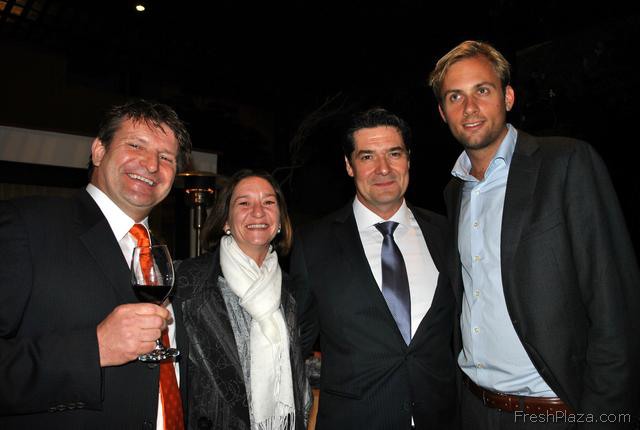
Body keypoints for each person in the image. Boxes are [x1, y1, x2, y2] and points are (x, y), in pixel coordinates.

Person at [429, 40, 640, 429]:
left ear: (508, 97)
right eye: (455, 96)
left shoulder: (566, 164)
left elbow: (615, 305)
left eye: (482, 90)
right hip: (474, 409)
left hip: (553, 412)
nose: (469, 107)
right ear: (443, 113)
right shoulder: (454, 192)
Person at [0, 99, 192, 429]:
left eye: (166, 158)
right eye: (136, 145)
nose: (151, 165)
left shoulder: (159, 255)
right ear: (99, 151)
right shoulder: (26, 225)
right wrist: (95, 348)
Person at [289, 108, 456, 429]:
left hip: (442, 417)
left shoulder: (446, 232)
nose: (383, 169)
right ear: (349, 166)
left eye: (394, 154)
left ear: (408, 160)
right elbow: (297, 341)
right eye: (367, 157)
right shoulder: (313, 244)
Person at [174, 169, 311, 430]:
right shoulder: (187, 280)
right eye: (244, 203)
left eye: (268, 202)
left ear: (279, 221)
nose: (258, 212)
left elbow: (298, 370)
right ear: (226, 220)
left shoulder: (291, 290)